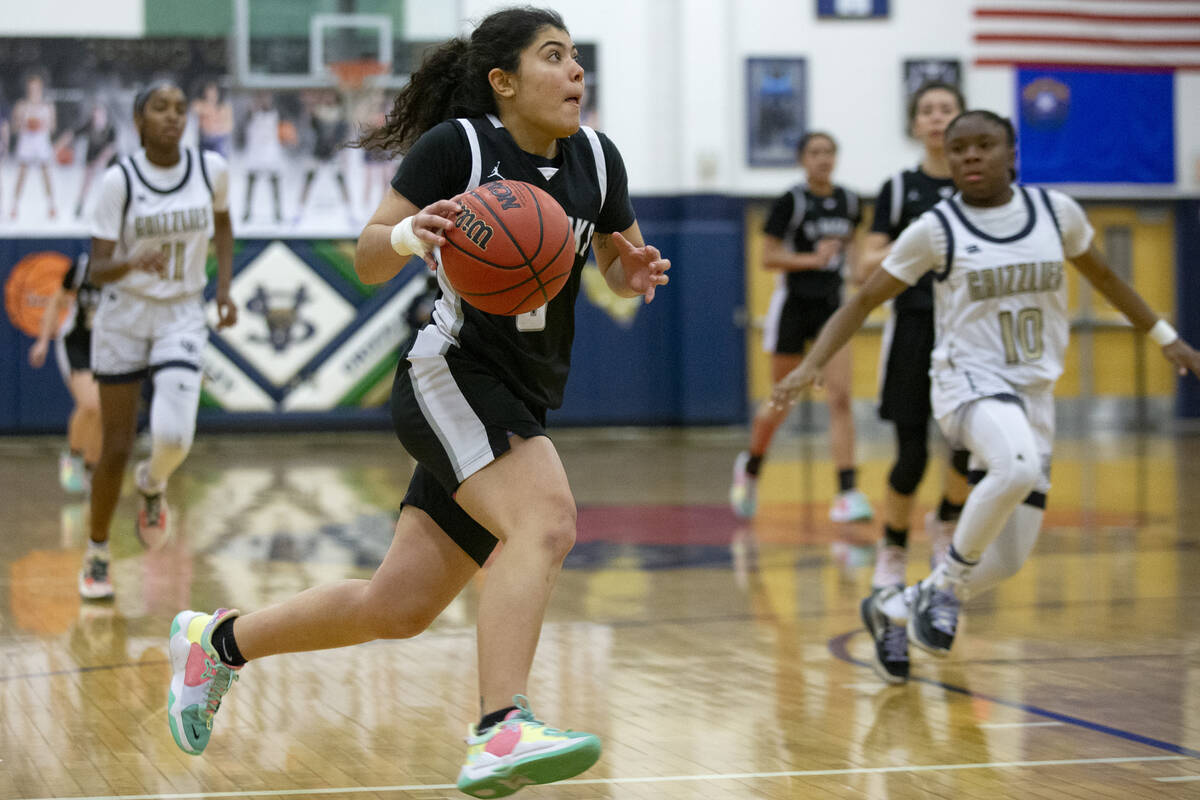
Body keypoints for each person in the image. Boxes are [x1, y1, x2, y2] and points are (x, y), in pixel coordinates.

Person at [165, 8, 669, 799]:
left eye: (576, 57)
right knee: (546, 521)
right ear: (503, 82)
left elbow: (611, 255)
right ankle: (500, 727)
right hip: (452, 375)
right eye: (553, 57)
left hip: (522, 394)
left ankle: (218, 644)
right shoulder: (459, 149)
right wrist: (407, 238)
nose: (575, 71)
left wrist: (626, 274)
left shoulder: (599, 161)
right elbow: (369, 257)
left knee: (395, 608)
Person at [771, 110, 1200, 684]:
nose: (971, 156)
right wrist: (814, 363)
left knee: (1007, 560)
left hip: (1033, 394)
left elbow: (1106, 280)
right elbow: (862, 299)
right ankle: (940, 591)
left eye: (985, 145)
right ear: (948, 162)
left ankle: (898, 605)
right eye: (960, 149)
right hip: (965, 382)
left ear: (1012, 154)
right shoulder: (936, 228)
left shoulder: (1056, 213)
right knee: (1014, 465)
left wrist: (1167, 338)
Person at [82, 80, 237, 600]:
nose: (172, 117)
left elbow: (223, 224)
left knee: (173, 439)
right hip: (124, 316)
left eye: (180, 108)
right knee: (116, 447)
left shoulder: (210, 170)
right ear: (139, 120)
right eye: (160, 108)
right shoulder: (118, 181)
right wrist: (132, 261)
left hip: (180, 313)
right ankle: (97, 552)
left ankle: (153, 485)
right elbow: (97, 269)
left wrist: (223, 289)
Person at [854, 81, 971, 681]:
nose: (935, 118)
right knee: (909, 457)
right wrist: (916, 244)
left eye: (945, 109)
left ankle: (944, 541)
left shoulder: (980, 186)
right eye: (926, 110)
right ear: (915, 123)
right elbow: (864, 262)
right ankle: (891, 560)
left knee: (969, 454)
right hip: (915, 328)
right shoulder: (901, 189)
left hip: (971, 335)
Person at [730, 132, 873, 524]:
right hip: (793, 305)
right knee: (783, 399)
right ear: (802, 159)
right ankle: (752, 467)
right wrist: (813, 259)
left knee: (840, 398)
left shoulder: (849, 201)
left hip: (833, 308)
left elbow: (858, 256)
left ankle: (847, 491)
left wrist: (870, 274)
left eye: (829, 151)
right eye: (815, 152)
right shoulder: (791, 201)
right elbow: (768, 257)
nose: (823, 159)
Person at [27, 252, 103, 493]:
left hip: (107, 347)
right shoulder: (82, 267)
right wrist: (42, 341)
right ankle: (73, 457)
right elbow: (54, 301)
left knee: (104, 411)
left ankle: (92, 469)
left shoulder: (128, 269)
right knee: (90, 404)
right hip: (76, 344)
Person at [10, 72, 58, 221]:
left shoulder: (47, 106)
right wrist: (25, 124)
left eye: (36, 87)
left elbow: (53, 127)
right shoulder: (21, 105)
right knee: (22, 175)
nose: (34, 90)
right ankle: (14, 206)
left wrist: (41, 124)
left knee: (46, 175)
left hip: (41, 142)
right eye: (31, 87)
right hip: (27, 143)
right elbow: (14, 127)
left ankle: (51, 206)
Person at [60, 103, 118, 219]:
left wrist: (100, 162)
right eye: (95, 116)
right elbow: (72, 134)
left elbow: (110, 149)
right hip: (92, 157)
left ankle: (113, 207)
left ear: (105, 116)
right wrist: (58, 146)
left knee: (110, 183)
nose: (98, 118)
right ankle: (80, 205)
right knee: (86, 181)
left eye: (100, 115)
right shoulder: (89, 125)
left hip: (108, 161)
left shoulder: (111, 128)